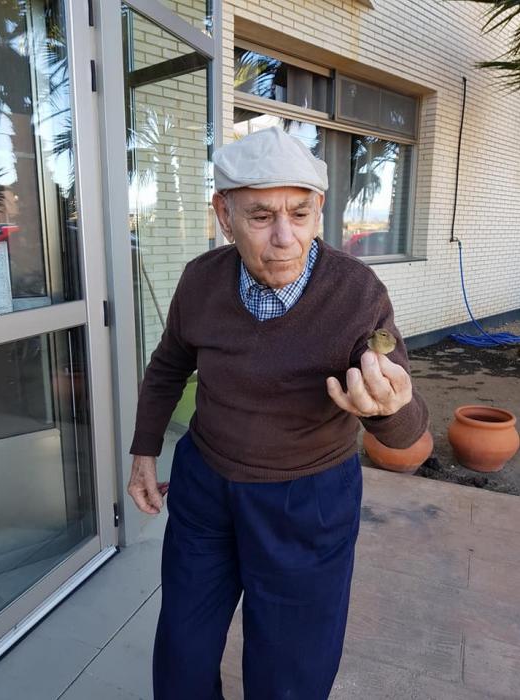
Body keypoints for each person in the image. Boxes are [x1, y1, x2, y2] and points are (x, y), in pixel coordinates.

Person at [128, 126, 428, 700]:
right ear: (224, 215)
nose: (285, 238)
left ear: (319, 211)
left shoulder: (356, 293)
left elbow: (408, 436)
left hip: (307, 500)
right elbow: (168, 365)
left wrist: (390, 409)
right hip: (205, 489)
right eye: (262, 216)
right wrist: (144, 450)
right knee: (181, 656)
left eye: (300, 213)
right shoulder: (201, 280)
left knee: (289, 675)